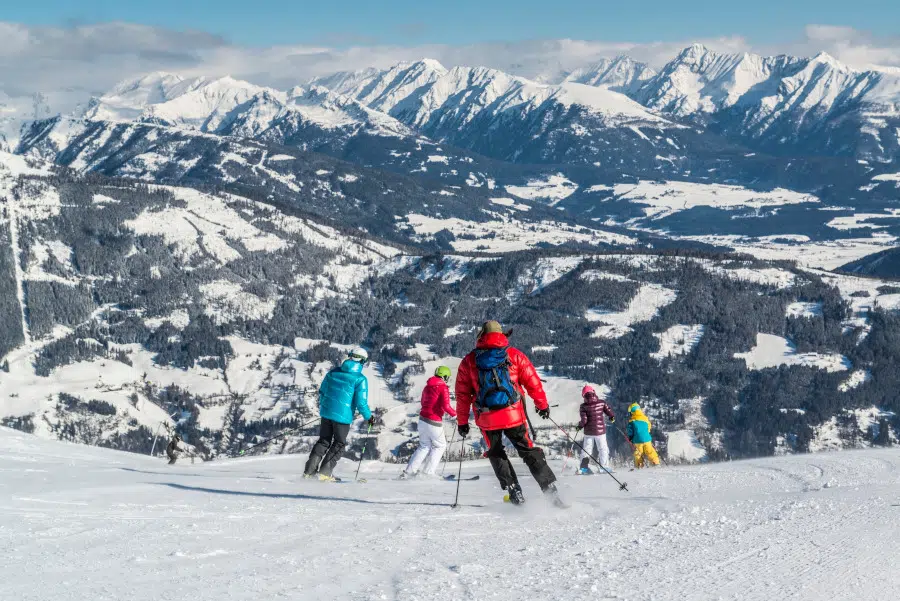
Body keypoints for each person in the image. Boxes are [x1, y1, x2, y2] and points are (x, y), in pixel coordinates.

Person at [455, 320, 561, 506]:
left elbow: (463, 395)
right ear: (502, 335)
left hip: (486, 417)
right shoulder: (514, 355)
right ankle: (551, 492)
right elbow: (533, 382)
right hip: (513, 415)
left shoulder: (469, 361)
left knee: (496, 453)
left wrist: (462, 422)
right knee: (528, 450)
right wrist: (542, 405)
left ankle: (515, 493)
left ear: (481, 336)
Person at [304, 347, 374, 481]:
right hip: (343, 417)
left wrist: (326, 408)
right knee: (339, 444)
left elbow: (322, 391)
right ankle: (324, 473)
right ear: (362, 361)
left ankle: (309, 472)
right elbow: (361, 403)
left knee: (323, 441)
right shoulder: (360, 379)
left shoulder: (333, 372)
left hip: (326, 413)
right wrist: (369, 417)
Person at [400, 365, 457, 479]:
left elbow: (423, 402)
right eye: (447, 377)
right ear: (444, 376)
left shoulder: (427, 387)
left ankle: (408, 472)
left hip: (422, 420)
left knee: (424, 446)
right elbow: (446, 406)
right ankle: (428, 472)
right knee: (440, 446)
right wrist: (455, 415)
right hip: (434, 421)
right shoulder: (443, 387)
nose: (447, 380)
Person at [576, 385, 615, 474]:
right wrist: (611, 416)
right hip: (600, 431)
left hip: (588, 432)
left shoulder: (583, 406)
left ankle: (583, 468)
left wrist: (579, 426)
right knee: (602, 448)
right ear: (593, 392)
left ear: (584, 395)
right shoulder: (601, 402)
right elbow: (608, 410)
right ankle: (604, 467)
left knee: (587, 449)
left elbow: (584, 420)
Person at [625, 403, 660, 468]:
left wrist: (630, 437)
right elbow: (649, 427)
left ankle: (639, 466)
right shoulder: (645, 418)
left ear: (632, 412)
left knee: (638, 453)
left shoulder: (632, 421)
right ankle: (656, 463)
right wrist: (646, 434)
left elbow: (630, 431)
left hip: (637, 440)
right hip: (647, 439)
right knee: (650, 451)